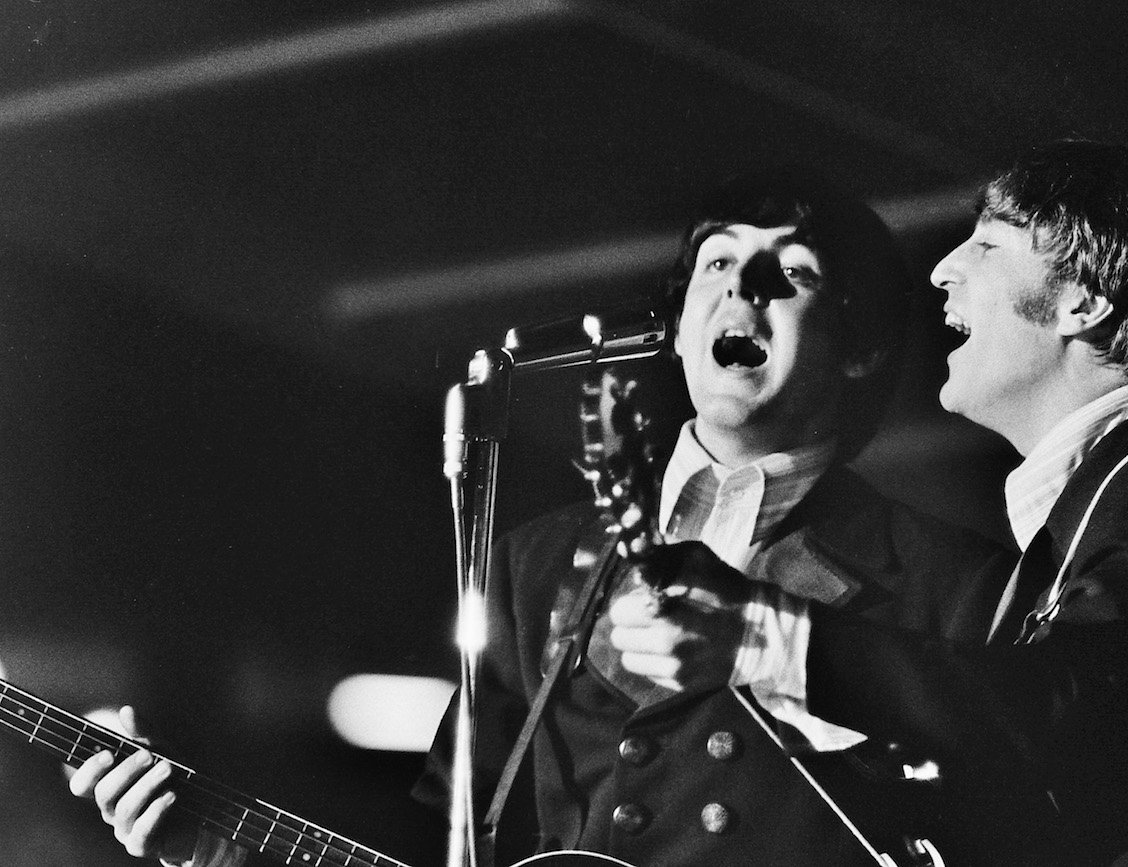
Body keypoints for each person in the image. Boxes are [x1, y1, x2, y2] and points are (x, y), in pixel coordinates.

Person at [67, 166, 1009, 866]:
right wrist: (215, 844)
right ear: (678, 326)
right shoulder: (535, 561)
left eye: (791, 272)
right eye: (718, 261)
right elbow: (437, 839)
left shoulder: (948, 579)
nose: (741, 286)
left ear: (858, 348)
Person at [808, 139, 1128, 864]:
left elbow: (1061, 697)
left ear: (1083, 301)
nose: (942, 271)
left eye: (986, 243)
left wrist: (775, 639)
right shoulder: (1104, 509)